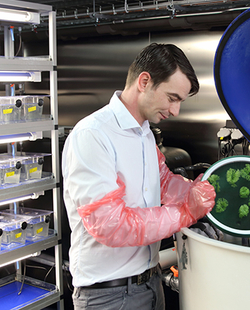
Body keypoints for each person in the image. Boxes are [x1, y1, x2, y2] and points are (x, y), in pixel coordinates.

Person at [62, 43, 216, 310]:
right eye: (172, 98)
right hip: (109, 295)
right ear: (145, 81)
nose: (175, 111)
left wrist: (194, 192)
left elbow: (163, 182)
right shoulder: (93, 135)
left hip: (149, 282)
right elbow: (110, 224)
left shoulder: (144, 132)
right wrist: (185, 213)